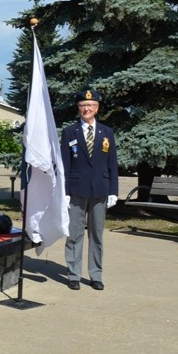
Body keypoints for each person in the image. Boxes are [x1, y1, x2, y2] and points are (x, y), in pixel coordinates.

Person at [60, 89, 118, 291]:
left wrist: (113, 191)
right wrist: (64, 191)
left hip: (100, 189)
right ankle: (74, 274)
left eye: (90, 105)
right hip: (76, 189)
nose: (86, 109)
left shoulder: (106, 132)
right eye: (83, 106)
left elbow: (112, 164)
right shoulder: (70, 132)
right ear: (79, 108)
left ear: (97, 108)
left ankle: (96, 275)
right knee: (74, 234)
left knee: (97, 235)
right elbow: (64, 165)